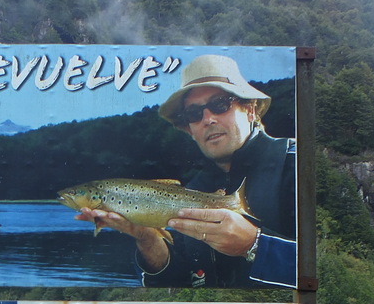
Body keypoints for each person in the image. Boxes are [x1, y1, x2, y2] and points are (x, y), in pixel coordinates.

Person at [77, 54, 296, 288]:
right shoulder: (191, 191)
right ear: (190, 129)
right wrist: (148, 239)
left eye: (220, 104)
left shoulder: (299, 165)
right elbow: (178, 286)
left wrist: (254, 245)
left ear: (250, 110)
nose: (208, 119)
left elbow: (329, 266)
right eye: (194, 113)